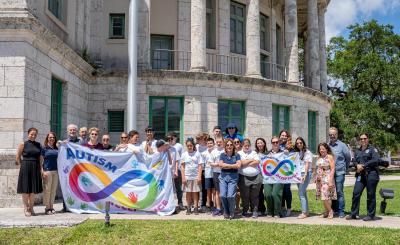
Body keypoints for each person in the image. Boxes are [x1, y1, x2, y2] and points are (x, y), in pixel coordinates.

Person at [346, 133, 380, 221]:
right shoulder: (357, 151)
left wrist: (364, 166)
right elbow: (353, 160)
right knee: (356, 193)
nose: (363, 140)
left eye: (365, 138)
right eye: (361, 139)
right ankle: (354, 214)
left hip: (371, 175)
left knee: (370, 195)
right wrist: (356, 165)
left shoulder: (373, 150)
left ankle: (370, 215)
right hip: (360, 175)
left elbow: (376, 160)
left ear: (368, 139)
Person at [16, 127, 43, 217]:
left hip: (35, 167)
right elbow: (18, 157)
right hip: (25, 167)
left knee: (33, 190)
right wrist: (22, 166)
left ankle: (31, 208)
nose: (33, 136)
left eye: (35, 134)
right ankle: (26, 208)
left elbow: (40, 158)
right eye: (32, 134)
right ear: (28, 134)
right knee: (25, 189)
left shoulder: (39, 145)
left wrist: (40, 169)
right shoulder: (23, 144)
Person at [328, 127, 351, 218]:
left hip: (339, 172)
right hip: (329, 173)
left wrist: (345, 167)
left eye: (334, 134)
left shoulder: (342, 145)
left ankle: (341, 211)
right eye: (330, 134)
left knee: (339, 191)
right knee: (331, 191)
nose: (332, 136)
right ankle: (334, 210)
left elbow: (348, 157)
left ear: (337, 134)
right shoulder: (327, 145)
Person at [219, 138, 242, 219]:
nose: (229, 146)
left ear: (233, 146)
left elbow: (238, 166)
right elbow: (221, 165)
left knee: (231, 196)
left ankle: (231, 211)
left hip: (233, 177)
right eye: (227, 145)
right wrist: (233, 165)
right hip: (223, 177)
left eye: (231, 145)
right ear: (225, 146)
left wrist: (227, 165)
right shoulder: (222, 155)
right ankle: (226, 211)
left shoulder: (237, 155)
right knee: (222, 195)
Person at [238, 139, 261, 218]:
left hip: (256, 176)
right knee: (245, 195)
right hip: (243, 176)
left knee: (254, 195)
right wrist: (251, 160)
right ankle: (245, 210)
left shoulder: (254, 152)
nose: (247, 147)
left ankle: (254, 211)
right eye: (245, 146)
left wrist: (246, 161)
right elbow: (241, 163)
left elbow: (257, 162)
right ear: (242, 145)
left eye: (248, 145)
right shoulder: (239, 153)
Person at [181, 138, 203, 215]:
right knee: (188, 193)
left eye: (191, 145)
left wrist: (199, 176)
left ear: (193, 145)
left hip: (195, 177)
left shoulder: (197, 154)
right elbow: (182, 167)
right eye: (188, 146)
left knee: (195, 192)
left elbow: (200, 166)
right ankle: (188, 207)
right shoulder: (184, 154)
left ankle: (196, 207)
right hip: (187, 177)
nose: (189, 147)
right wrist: (183, 177)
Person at [264, 136, 284, 218]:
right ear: (271, 144)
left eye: (277, 142)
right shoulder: (266, 154)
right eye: (273, 142)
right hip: (268, 177)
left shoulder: (283, 153)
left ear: (279, 143)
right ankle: (269, 211)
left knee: (275, 194)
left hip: (279, 177)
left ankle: (277, 212)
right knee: (268, 194)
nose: (275, 144)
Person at [315, 143, 337, 219]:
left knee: (325, 196)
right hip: (320, 180)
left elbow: (333, 169)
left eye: (323, 148)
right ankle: (326, 212)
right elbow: (318, 168)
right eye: (320, 149)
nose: (322, 150)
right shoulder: (319, 157)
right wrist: (316, 177)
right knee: (325, 196)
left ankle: (330, 211)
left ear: (327, 149)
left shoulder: (329, 157)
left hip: (327, 178)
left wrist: (330, 180)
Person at [294, 137, 313, 219]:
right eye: (297, 143)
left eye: (300, 143)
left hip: (305, 173)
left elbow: (307, 164)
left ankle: (304, 213)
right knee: (303, 193)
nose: (299, 144)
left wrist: (304, 175)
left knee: (301, 193)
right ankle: (307, 211)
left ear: (303, 143)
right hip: (298, 174)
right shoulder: (297, 152)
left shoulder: (307, 152)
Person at [41, 132, 59, 215]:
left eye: (53, 137)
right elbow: (40, 161)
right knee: (47, 190)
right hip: (47, 171)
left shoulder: (56, 148)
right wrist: (42, 171)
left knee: (53, 190)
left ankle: (52, 206)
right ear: (47, 138)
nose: (52, 139)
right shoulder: (44, 148)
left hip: (56, 171)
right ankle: (47, 208)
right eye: (50, 137)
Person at [166, 132, 184, 210]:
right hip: (166, 172)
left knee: (178, 188)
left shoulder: (174, 149)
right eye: (168, 139)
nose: (170, 140)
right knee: (168, 188)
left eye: (171, 139)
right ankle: (169, 203)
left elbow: (177, 161)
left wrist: (176, 171)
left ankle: (180, 203)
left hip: (174, 170)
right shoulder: (163, 149)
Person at [279, 130, 293, 217]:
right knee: (281, 190)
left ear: (288, 137)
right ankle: (282, 207)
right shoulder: (277, 145)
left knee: (287, 190)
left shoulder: (291, 146)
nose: (283, 137)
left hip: (287, 171)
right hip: (279, 171)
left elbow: (294, 157)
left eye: (285, 135)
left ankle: (289, 208)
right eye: (282, 135)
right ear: (280, 136)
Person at [201, 138, 217, 213]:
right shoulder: (204, 153)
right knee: (208, 190)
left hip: (215, 173)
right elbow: (202, 164)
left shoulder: (216, 152)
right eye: (208, 143)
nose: (209, 145)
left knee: (214, 190)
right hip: (207, 173)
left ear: (214, 144)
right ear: (206, 144)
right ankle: (208, 205)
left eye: (211, 143)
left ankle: (214, 205)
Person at [210, 137, 224, 216]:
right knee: (217, 191)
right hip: (216, 173)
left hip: (225, 173)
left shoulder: (225, 150)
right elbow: (210, 163)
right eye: (217, 142)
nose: (219, 143)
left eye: (220, 142)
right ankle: (218, 208)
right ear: (215, 142)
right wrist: (218, 164)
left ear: (223, 142)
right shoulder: (213, 152)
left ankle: (224, 208)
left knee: (224, 191)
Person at [196, 132, 209, 212]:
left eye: (198, 139)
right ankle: (196, 204)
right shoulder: (196, 147)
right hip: (197, 169)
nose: (197, 140)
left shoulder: (208, 147)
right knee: (197, 188)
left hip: (206, 169)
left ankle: (203, 204)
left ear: (203, 139)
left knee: (204, 188)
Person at [254, 138, 267, 216]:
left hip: (268, 176)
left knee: (268, 193)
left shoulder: (268, 153)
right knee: (259, 193)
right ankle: (261, 208)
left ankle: (270, 208)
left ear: (264, 143)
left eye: (261, 143)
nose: (260, 144)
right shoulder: (254, 153)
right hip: (258, 176)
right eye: (258, 143)